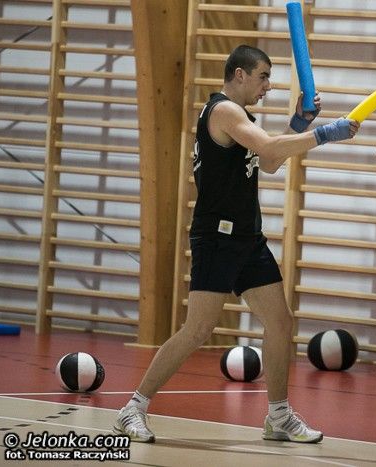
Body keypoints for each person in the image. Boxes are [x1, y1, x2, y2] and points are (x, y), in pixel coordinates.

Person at [114, 44, 359, 444]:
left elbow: (269, 161)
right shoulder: (224, 110)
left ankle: (278, 416)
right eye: (263, 76)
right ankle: (133, 409)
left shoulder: (242, 117)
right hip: (218, 237)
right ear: (240, 74)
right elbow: (268, 149)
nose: (268, 85)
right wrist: (325, 133)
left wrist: (299, 123)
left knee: (279, 322)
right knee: (197, 330)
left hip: (247, 237)